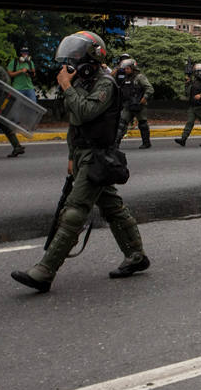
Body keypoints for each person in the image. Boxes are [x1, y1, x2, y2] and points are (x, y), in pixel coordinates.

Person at [11, 31, 149, 292]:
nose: (71, 64)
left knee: (74, 210)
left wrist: (65, 86)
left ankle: (44, 271)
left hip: (98, 156)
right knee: (112, 207)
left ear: (91, 58)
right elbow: (74, 126)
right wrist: (71, 157)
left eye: (76, 57)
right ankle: (136, 256)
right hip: (84, 155)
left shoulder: (105, 84)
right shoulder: (82, 84)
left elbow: (86, 112)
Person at [114, 58, 154, 150]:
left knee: (143, 124)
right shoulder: (125, 78)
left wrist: (145, 97)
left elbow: (150, 89)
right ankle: (115, 144)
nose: (126, 70)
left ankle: (146, 143)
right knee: (121, 124)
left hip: (139, 105)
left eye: (128, 68)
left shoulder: (139, 77)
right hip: (128, 105)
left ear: (133, 68)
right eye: (125, 69)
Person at [175, 63, 201, 147]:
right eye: (196, 71)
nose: (198, 73)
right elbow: (187, 93)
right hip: (193, 106)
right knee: (189, 123)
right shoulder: (193, 81)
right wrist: (187, 84)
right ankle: (183, 139)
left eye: (200, 71)